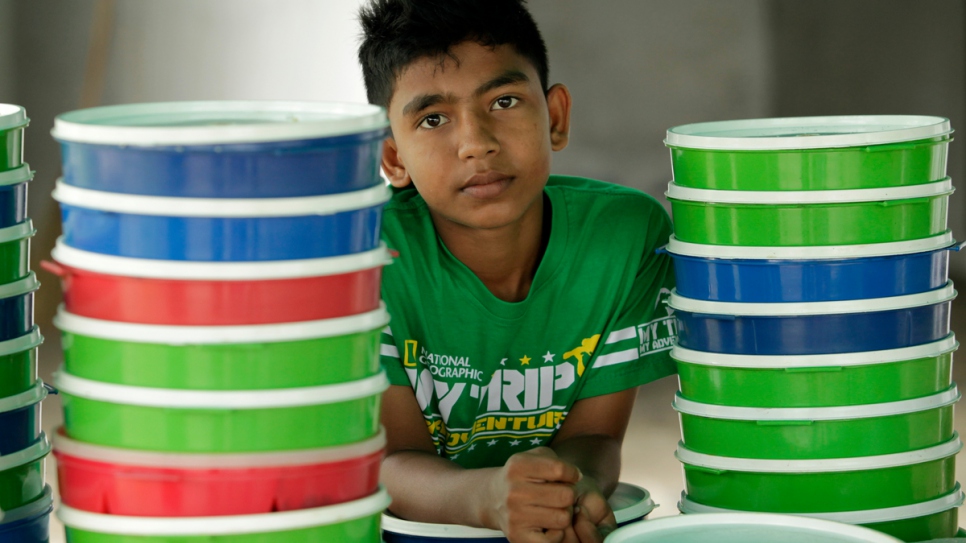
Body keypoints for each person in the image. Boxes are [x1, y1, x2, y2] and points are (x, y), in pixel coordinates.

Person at [358, 1, 676, 541]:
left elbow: (594, 438)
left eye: (503, 101)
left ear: (554, 117)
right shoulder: (367, 254)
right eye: (432, 119)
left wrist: (574, 489)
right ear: (393, 158)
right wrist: (486, 499)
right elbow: (389, 459)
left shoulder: (621, 239)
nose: (476, 142)